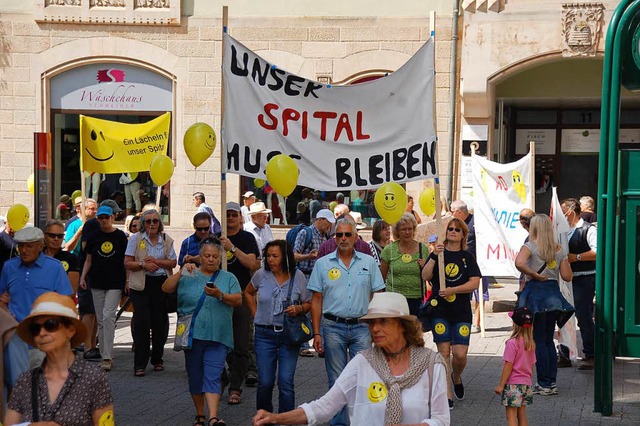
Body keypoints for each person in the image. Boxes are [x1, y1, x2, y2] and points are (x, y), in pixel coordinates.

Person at [253, 292, 450, 426]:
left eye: (383, 321)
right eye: (372, 323)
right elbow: (324, 407)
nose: (375, 328)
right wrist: (275, 418)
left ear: (402, 326)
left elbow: (441, 420)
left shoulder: (431, 364)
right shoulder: (362, 362)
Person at [308, 216, 386, 426]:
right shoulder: (322, 264)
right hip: (332, 327)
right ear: (334, 237)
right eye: (339, 234)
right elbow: (316, 300)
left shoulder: (369, 262)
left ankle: (361, 421)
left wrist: (376, 326)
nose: (343, 238)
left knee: (364, 378)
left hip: (362, 327)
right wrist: (316, 333)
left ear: (355, 237)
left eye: (347, 234)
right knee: (337, 381)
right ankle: (339, 424)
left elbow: (377, 294)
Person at [162, 237, 242, 426]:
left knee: (213, 375)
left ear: (221, 256)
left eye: (215, 256)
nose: (211, 259)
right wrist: (181, 271)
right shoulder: (189, 273)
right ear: (200, 256)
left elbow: (238, 300)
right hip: (192, 335)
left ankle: (213, 417)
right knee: (195, 375)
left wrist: (220, 295)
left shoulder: (228, 278)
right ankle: (200, 413)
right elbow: (165, 288)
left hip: (218, 335)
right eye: (207, 256)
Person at [5, 292, 113, 425]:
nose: (42, 333)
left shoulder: (93, 378)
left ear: (71, 330)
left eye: (50, 325)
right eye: (35, 328)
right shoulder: (25, 381)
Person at [421, 217, 481, 410]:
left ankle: (456, 376)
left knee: (460, 354)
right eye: (450, 229)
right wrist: (433, 255)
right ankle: (447, 394)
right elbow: (425, 276)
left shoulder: (467, 257)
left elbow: (475, 282)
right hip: (440, 310)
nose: (453, 231)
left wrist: (454, 290)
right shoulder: (438, 253)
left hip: (461, 311)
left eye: (457, 229)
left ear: (463, 234)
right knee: (444, 352)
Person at [245, 240, 310, 414]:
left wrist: (298, 309)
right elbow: (248, 292)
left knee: (285, 382)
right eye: (268, 256)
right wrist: (255, 313)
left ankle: (285, 419)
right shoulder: (261, 274)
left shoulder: (298, 276)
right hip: (264, 334)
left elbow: (308, 303)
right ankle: (264, 417)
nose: (270, 260)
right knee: (265, 381)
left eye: (275, 256)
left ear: (285, 257)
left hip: (289, 335)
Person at [514, 214, 574, 396]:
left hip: (537, 297)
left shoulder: (530, 246)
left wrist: (535, 274)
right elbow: (567, 276)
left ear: (534, 228)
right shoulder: (559, 250)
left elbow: (519, 263)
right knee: (548, 340)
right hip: (554, 297)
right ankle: (552, 383)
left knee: (539, 340)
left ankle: (543, 384)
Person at [124, 209, 177, 376]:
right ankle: (140, 364)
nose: (152, 224)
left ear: (160, 223)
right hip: (141, 285)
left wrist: (156, 262)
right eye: (148, 221)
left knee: (159, 322)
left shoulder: (166, 239)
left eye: (155, 221)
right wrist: (143, 265)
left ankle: (157, 359)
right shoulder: (135, 239)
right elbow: (127, 263)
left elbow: (173, 262)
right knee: (142, 322)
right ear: (142, 224)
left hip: (161, 285)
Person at [219, 202, 261, 405]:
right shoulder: (215, 238)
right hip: (218, 298)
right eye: (227, 214)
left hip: (242, 296)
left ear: (240, 217)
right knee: (220, 344)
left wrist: (232, 248)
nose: (230, 218)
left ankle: (236, 387)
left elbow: (252, 265)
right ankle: (225, 376)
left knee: (241, 345)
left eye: (234, 214)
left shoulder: (247, 238)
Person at [80, 205, 128, 372]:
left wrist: (127, 280)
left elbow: (125, 260)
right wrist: (82, 277)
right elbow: (88, 260)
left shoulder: (121, 236)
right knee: (101, 320)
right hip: (97, 281)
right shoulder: (94, 236)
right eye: (101, 217)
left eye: (106, 217)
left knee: (108, 316)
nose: (104, 220)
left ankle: (107, 356)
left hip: (115, 282)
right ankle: (104, 354)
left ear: (112, 217)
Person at [561, 198, 596, 370]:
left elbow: (597, 252)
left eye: (563, 212)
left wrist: (577, 257)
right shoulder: (563, 231)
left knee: (583, 316)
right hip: (566, 279)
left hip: (584, 278)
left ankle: (590, 354)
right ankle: (565, 354)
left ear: (571, 212)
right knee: (563, 316)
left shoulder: (588, 230)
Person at [380, 213, 429, 321]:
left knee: (413, 335)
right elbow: (380, 278)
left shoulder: (423, 249)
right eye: (403, 229)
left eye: (410, 229)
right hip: (394, 300)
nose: (407, 232)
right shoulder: (390, 250)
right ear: (397, 231)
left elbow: (430, 277)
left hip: (417, 300)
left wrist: (425, 266)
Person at [451, 200, 488, 334]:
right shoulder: (456, 225)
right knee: (464, 294)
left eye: (452, 211)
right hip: (462, 265)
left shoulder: (476, 222)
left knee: (480, 294)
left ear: (459, 212)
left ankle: (477, 323)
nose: (451, 214)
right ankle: (463, 320)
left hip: (478, 264)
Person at [495, 307, 536, 426]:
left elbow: (508, 365)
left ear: (515, 324)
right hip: (526, 383)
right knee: (522, 414)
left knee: (511, 415)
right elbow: (532, 364)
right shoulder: (531, 344)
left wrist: (501, 385)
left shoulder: (512, 343)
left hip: (513, 384)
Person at [294, 209, 335, 278]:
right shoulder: (305, 233)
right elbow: (294, 256)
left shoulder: (325, 237)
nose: (330, 225)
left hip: (319, 277)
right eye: (328, 222)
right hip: (304, 277)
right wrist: (308, 256)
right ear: (320, 220)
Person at [43, 219, 80, 294]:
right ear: (45, 236)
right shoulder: (37, 257)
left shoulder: (71, 259)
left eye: (60, 236)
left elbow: (72, 290)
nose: (56, 239)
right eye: (52, 235)